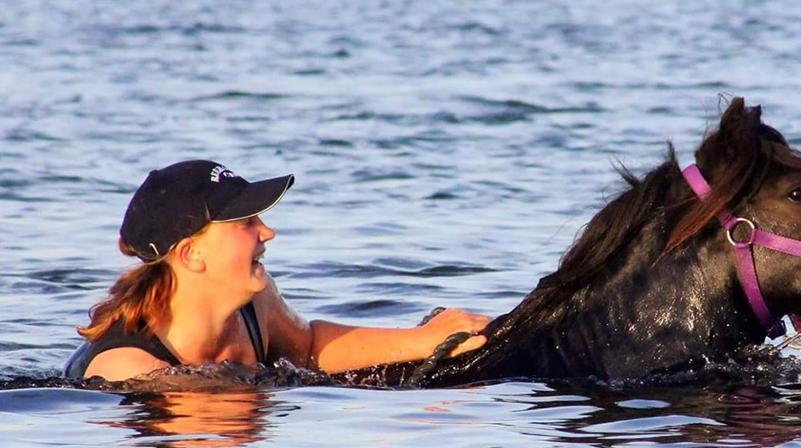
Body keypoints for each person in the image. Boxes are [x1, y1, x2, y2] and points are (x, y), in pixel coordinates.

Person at [64, 160, 490, 382]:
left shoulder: (256, 302)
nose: (268, 231)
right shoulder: (128, 366)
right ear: (192, 254)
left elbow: (307, 346)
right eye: (246, 222)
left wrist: (425, 342)